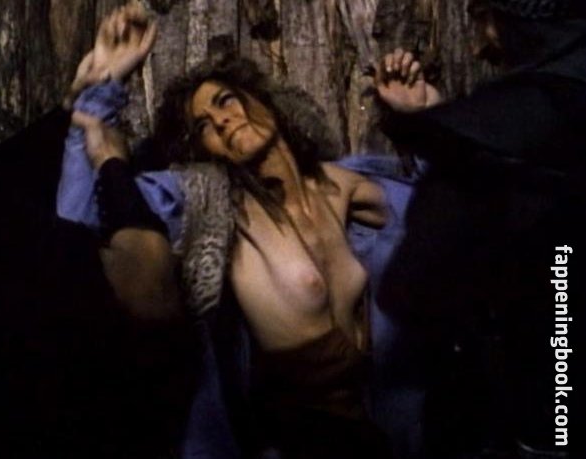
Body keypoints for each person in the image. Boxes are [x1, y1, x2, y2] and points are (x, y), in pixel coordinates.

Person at [57, 2, 428, 458]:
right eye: (203, 126)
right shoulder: (214, 204)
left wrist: (421, 115)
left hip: (389, 433)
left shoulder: (346, 184)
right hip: (295, 442)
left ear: (265, 101)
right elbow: (77, 227)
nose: (221, 121)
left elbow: (446, 211)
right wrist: (104, 90)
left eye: (226, 101)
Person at [374, 0, 586, 456]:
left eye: (484, 21)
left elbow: (411, 289)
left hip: (538, 410)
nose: (478, 46)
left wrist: (447, 133)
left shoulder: (495, 145)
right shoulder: (544, 116)